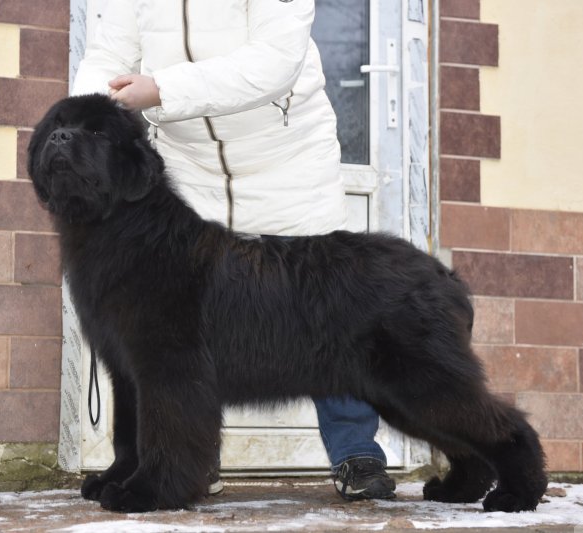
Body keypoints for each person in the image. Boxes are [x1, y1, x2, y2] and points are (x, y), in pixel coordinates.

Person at [72, 0, 395, 501]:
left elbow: (274, 61)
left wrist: (161, 88)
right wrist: (89, 111)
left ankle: (355, 451)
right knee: (188, 331)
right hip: (190, 169)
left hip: (285, 161)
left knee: (327, 312)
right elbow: (106, 55)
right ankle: (189, 457)